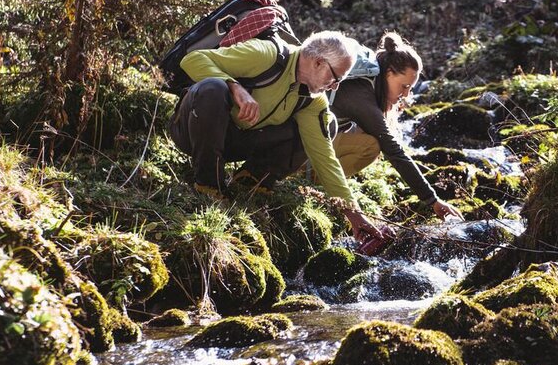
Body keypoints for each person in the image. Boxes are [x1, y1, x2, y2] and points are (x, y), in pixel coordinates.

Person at [168, 30, 387, 240]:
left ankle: (252, 179)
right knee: (213, 88)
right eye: (335, 77)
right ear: (318, 62)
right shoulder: (265, 55)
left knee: (327, 124)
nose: (334, 86)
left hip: (236, 141)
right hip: (192, 130)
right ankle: (208, 184)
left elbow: (324, 158)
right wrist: (234, 87)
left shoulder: (312, 100)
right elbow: (192, 60)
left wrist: (354, 214)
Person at [326, 32, 462, 220]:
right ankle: (321, 184)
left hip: (312, 138)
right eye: (404, 86)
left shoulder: (369, 81)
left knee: (365, 136)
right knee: (371, 146)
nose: (406, 95)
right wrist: (432, 200)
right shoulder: (362, 95)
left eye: (410, 88)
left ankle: (323, 180)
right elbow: (394, 151)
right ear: (389, 73)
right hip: (300, 143)